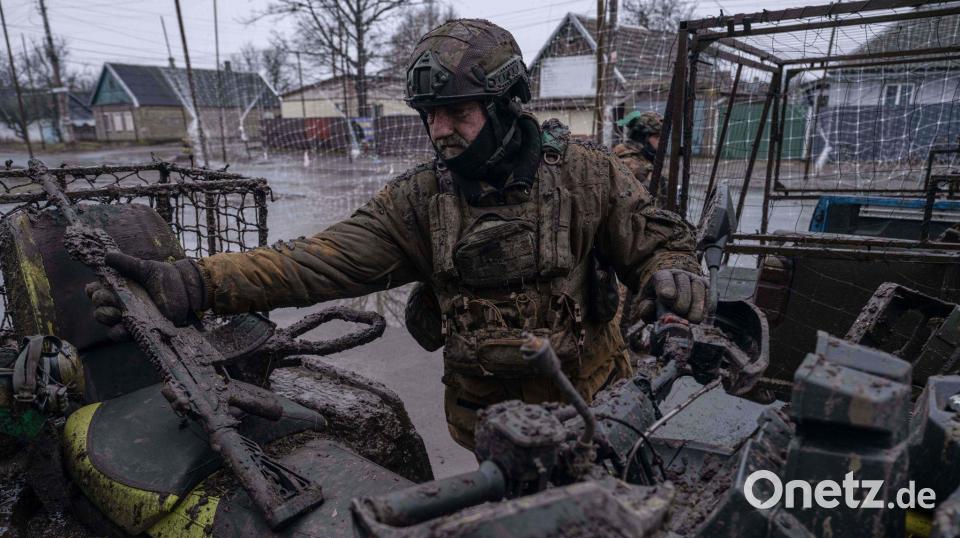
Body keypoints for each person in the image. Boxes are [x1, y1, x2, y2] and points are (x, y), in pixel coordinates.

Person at [87, 19, 707, 450]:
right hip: (492, 429)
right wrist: (192, 283)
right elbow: (312, 261)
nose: (440, 131)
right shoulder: (418, 202)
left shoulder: (587, 174)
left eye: (457, 112)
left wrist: (675, 275)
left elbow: (660, 244)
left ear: (505, 104)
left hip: (596, 410)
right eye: (430, 115)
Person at [612, 111, 663, 189]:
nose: (660, 141)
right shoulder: (631, 164)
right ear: (642, 137)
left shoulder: (642, 157)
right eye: (656, 137)